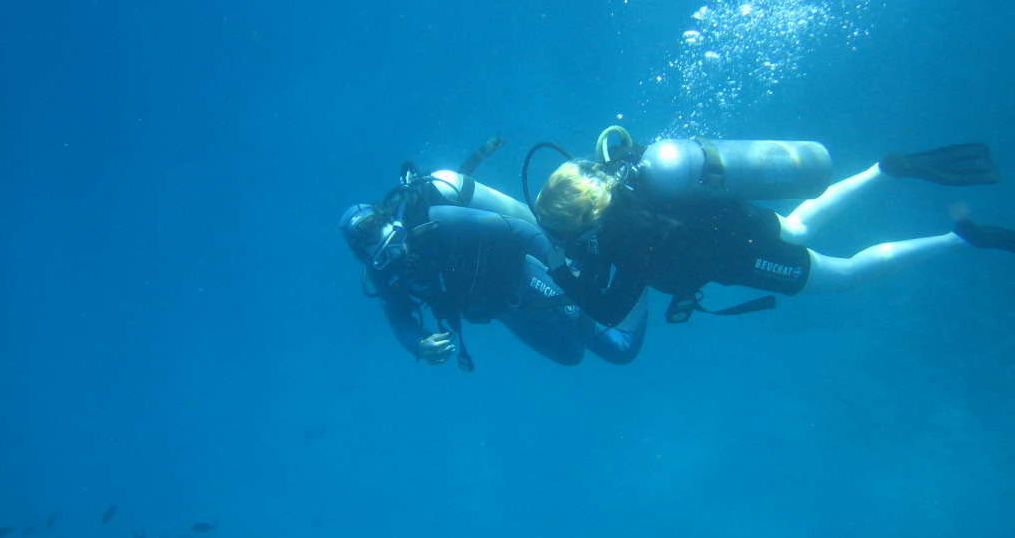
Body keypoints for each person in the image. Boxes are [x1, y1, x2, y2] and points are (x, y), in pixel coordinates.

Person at [533, 134, 1013, 327]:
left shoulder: (631, 242)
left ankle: (959, 238)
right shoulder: (621, 171)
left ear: (585, 220)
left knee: (844, 275)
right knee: (799, 224)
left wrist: (559, 271)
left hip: (742, 255)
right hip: (741, 216)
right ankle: (882, 170)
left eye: (558, 229)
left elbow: (611, 311)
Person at [340, 166, 647, 370]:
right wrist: (419, 345)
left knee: (620, 349)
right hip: (505, 311)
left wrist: (562, 270)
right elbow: (398, 317)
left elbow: (516, 229)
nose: (398, 255)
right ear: (369, 260)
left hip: (527, 280)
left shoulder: (439, 222)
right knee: (570, 356)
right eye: (384, 257)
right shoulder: (382, 273)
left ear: (396, 225)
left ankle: (637, 273)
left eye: (396, 241)